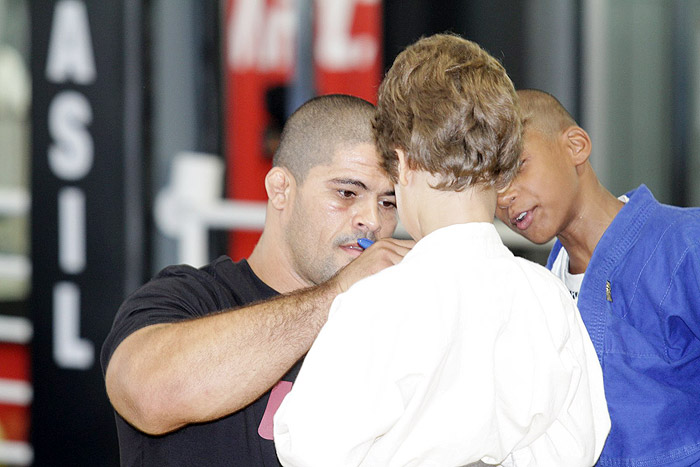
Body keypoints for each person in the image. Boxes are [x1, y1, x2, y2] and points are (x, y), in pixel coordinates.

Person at [273, 34, 610, 467]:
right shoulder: (548, 299)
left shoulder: (379, 301)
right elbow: (582, 440)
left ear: (403, 162)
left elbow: (309, 446)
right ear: (503, 160)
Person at [100, 94, 414, 466]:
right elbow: (148, 395)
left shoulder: (391, 324)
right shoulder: (189, 298)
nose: (372, 221)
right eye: (347, 193)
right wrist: (335, 295)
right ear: (281, 190)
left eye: (388, 203)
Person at [496, 89, 700, 466]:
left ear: (576, 145)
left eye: (515, 167)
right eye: (489, 183)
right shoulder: (538, 290)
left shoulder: (686, 244)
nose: (504, 195)